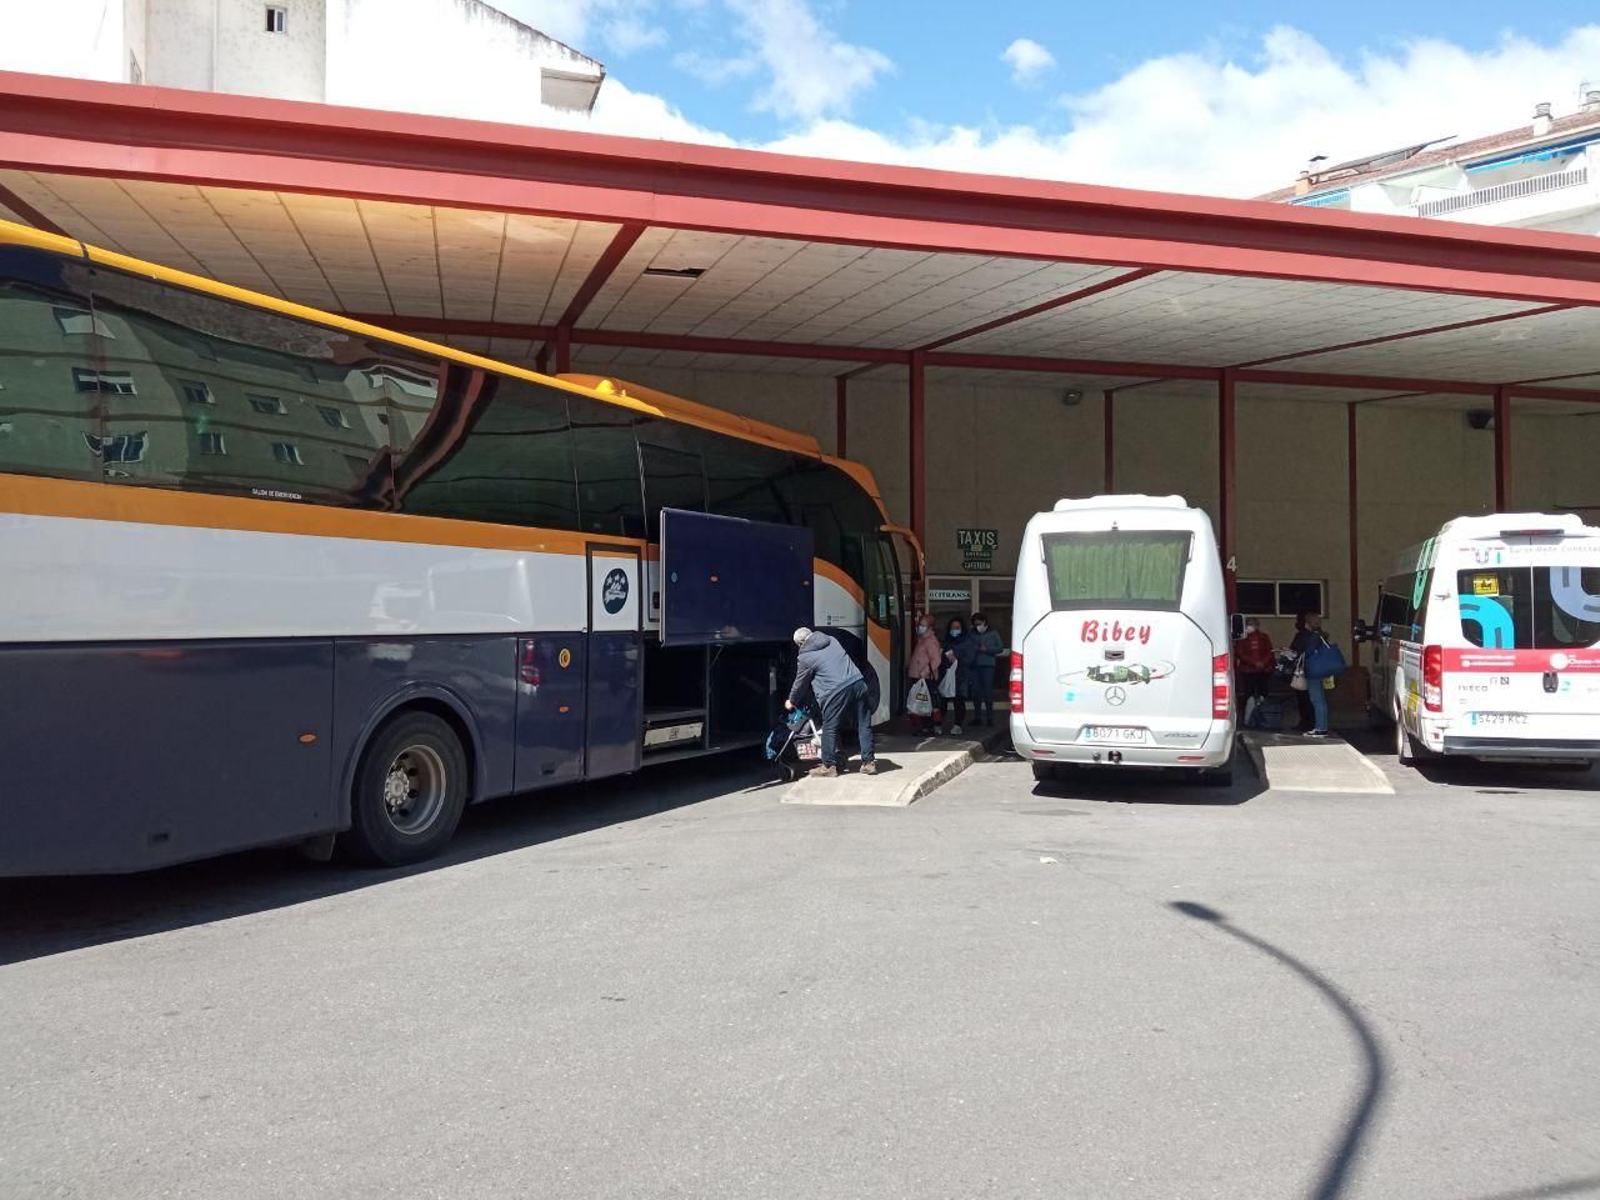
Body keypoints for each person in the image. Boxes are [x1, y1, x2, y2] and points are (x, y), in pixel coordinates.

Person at [787, 626, 877, 777]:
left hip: (835, 691)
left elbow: (800, 683)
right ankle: (868, 763)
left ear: (800, 644)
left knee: (829, 727)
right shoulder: (832, 640)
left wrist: (792, 700)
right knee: (863, 724)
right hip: (858, 683)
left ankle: (829, 766)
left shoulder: (805, 658)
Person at [1289, 612, 1331, 738]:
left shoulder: (1312, 636)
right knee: (1319, 699)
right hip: (1320, 669)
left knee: (1316, 700)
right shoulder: (1321, 635)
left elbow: (1308, 652)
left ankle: (1320, 728)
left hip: (1313, 670)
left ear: (1307, 623)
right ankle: (1320, 727)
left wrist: (1298, 654)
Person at [906, 612, 944, 737]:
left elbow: (936, 660)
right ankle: (923, 726)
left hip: (925, 677)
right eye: (919, 624)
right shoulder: (922, 639)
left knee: (928, 702)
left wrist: (925, 671)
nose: (919, 627)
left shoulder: (930, 641)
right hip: (918, 676)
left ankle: (931, 726)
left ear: (930, 627)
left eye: (922, 625)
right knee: (920, 702)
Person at [967, 612, 1007, 728]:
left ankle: (990, 717)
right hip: (974, 665)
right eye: (975, 624)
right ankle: (978, 717)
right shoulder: (972, 634)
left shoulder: (993, 633)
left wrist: (987, 649)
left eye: (979, 624)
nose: (977, 626)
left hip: (987, 665)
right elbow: (968, 646)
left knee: (987, 692)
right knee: (976, 693)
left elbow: (1000, 648)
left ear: (984, 622)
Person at [1234, 619, 1275, 729]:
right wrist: (1254, 663)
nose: (1249, 627)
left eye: (1251, 625)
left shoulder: (1264, 637)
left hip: (1263, 671)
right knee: (1248, 695)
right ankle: (1247, 720)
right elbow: (1239, 653)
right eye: (1247, 625)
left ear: (1257, 626)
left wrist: (1263, 663)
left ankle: (1263, 719)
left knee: (1263, 694)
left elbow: (1269, 651)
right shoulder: (1242, 638)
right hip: (1248, 671)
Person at [941, 615, 977, 736]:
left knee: (958, 700)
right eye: (952, 627)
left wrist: (957, 660)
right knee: (943, 699)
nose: (954, 630)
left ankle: (957, 725)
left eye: (957, 627)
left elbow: (971, 658)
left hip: (961, 675)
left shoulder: (968, 641)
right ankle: (939, 723)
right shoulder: (947, 640)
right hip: (948, 674)